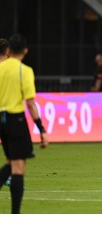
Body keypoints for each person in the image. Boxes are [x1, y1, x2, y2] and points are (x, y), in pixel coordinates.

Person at [0, 33, 49, 214]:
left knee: (11, 162)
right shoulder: (25, 71)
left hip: (0, 119)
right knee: (18, 166)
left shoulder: (1, 68)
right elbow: (30, 103)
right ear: (26, 51)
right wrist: (41, 129)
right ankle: (15, 216)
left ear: (9, 50)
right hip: (15, 119)